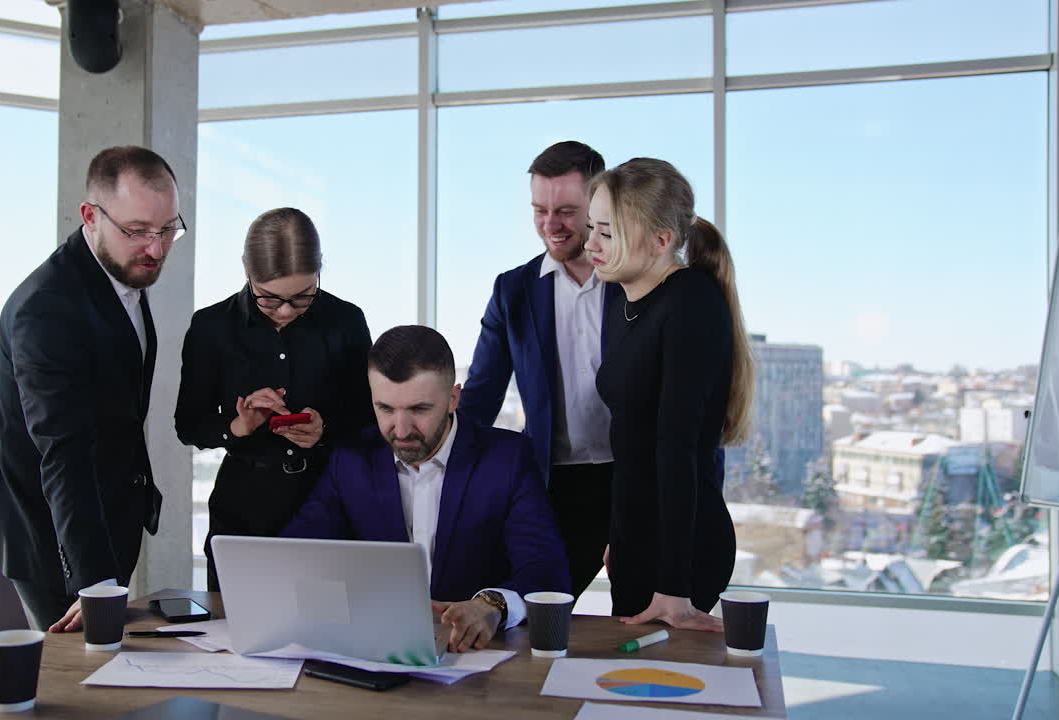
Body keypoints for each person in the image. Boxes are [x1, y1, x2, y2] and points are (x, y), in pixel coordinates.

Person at [0, 146, 182, 632]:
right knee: (81, 670)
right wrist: (96, 582)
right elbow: (63, 451)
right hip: (50, 535)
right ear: (91, 217)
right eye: (137, 231)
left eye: (167, 230)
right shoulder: (45, 308)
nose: (156, 249)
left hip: (108, 519)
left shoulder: (121, 274)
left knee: (109, 665)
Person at [282, 325, 570, 654]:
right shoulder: (350, 460)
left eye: (419, 409)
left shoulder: (508, 458)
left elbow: (547, 572)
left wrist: (491, 605)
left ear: (453, 399)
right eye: (385, 409)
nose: (401, 430)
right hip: (373, 650)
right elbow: (297, 554)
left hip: (477, 656)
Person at [585, 157, 754, 632]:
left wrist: (674, 585)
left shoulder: (691, 302)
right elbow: (632, 439)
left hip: (680, 555)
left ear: (662, 241)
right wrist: (621, 533)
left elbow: (677, 449)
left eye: (607, 233)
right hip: (637, 540)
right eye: (592, 228)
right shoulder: (623, 298)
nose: (590, 243)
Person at [175, 207, 373, 592]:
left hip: (329, 503)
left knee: (329, 621)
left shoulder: (346, 320)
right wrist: (238, 426)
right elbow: (189, 426)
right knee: (234, 624)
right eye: (268, 298)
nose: (285, 310)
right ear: (246, 270)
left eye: (302, 298)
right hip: (243, 511)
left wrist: (325, 429)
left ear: (319, 271)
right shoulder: (211, 327)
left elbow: (369, 418)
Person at [458, 140, 621, 599]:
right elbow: (480, 397)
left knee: (638, 618)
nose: (551, 224)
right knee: (535, 609)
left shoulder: (634, 281)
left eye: (566, 211)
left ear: (599, 205)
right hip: (554, 482)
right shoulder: (513, 291)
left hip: (631, 480)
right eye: (539, 210)